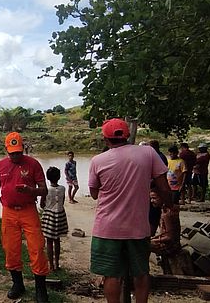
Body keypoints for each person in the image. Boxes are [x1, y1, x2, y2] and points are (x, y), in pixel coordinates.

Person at [88, 118, 170, 303]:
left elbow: (93, 193)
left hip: (107, 229)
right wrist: (167, 204)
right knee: (141, 274)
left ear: (105, 139)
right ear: (127, 135)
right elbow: (164, 187)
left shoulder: (97, 160)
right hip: (138, 228)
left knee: (111, 275)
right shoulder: (148, 153)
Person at [0, 132, 50, 302]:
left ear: (23, 149)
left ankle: (40, 289)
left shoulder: (33, 164)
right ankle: (17, 284)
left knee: (36, 248)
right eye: (12, 152)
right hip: (8, 212)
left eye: (18, 152)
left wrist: (31, 191)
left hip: (29, 210)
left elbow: (44, 189)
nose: (15, 155)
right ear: (6, 150)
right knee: (10, 249)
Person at [40, 166, 68, 271]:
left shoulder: (46, 190)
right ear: (59, 177)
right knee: (57, 240)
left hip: (49, 216)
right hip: (60, 215)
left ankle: (51, 265)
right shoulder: (63, 188)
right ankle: (57, 263)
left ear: (47, 178)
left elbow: (42, 204)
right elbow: (63, 201)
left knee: (49, 241)